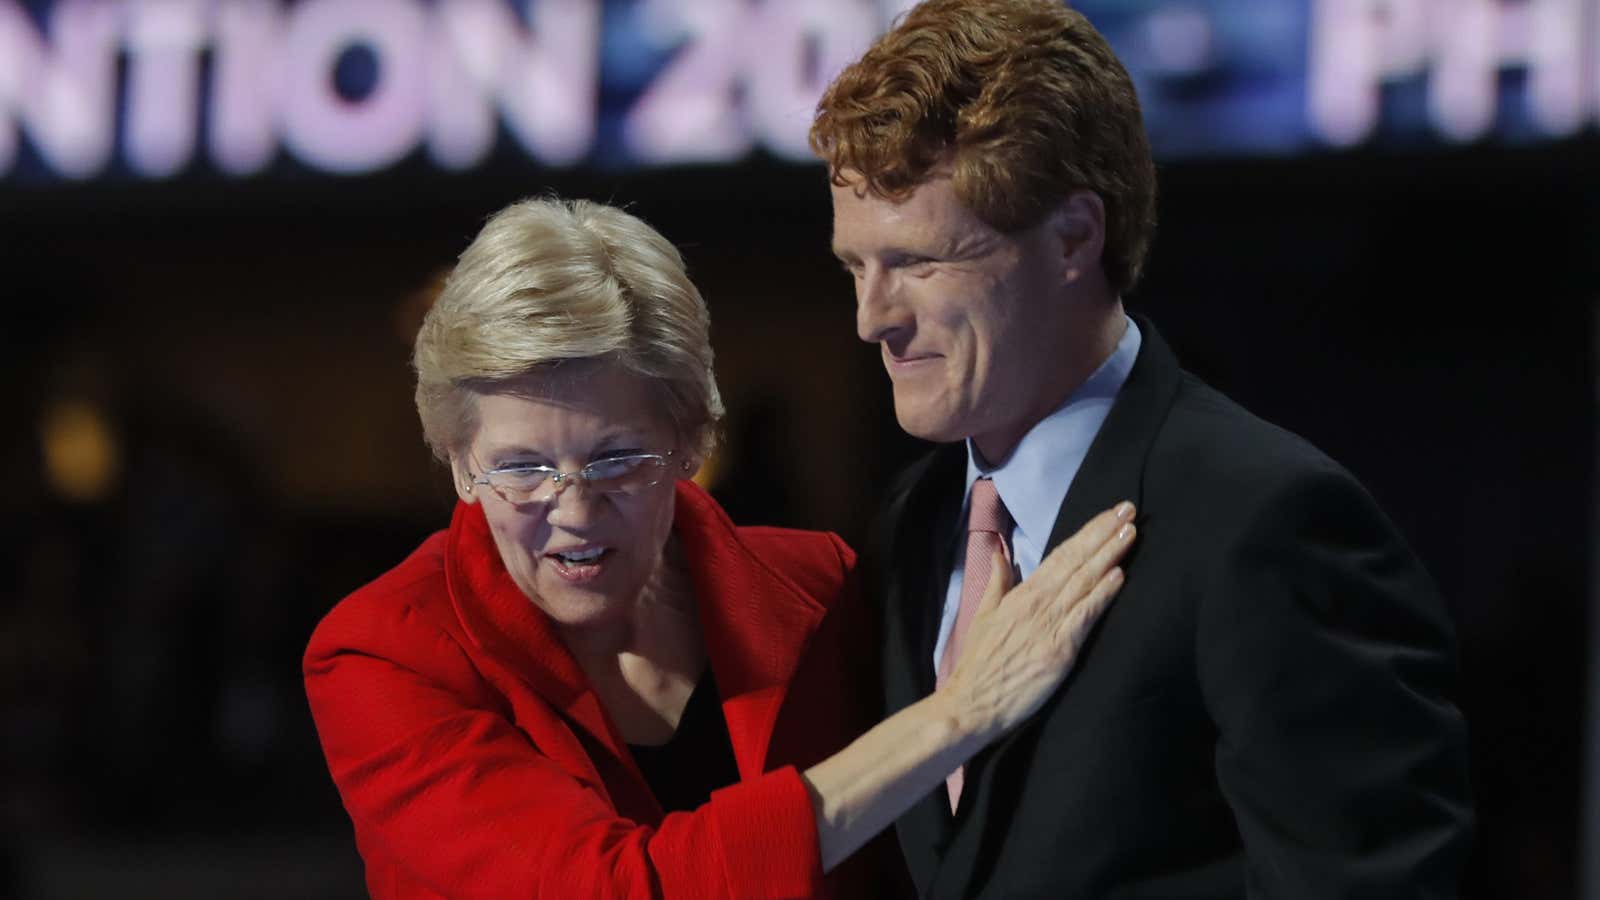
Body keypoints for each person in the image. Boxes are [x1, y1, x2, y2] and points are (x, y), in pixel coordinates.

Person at [810, 1, 1475, 897]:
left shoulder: (1268, 522)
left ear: (1075, 237)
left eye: (921, 263)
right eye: (857, 266)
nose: (872, 319)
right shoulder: (911, 526)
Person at [303, 197, 1136, 899]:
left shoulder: (823, 585)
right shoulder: (383, 653)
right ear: (459, 464)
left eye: (618, 460)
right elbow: (613, 890)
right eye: (520, 469)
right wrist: (954, 715)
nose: (574, 510)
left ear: (692, 439)